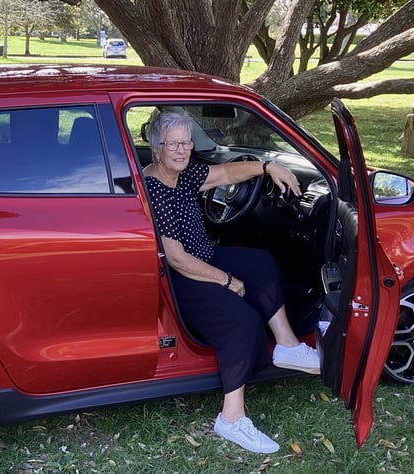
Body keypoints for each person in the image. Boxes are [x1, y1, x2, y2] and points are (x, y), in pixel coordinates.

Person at [143, 111, 320, 454]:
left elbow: (223, 172)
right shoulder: (155, 188)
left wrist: (266, 167)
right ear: (156, 148)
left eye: (186, 143)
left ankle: (286, 344)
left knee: (259, 261)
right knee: (241, 321)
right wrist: (226, 280)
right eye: (173, 144)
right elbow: (177, 258)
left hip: (204, 255)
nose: (181, 150)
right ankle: (232, 417)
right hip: (182, 277)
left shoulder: (183, 173)